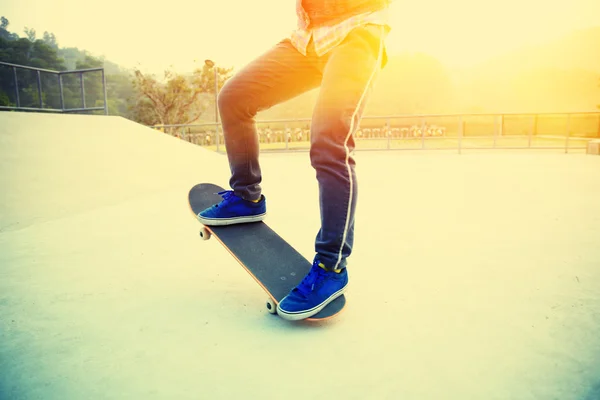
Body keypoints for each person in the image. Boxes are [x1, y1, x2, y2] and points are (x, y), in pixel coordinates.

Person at [196, 0, 391, 321]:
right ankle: (247, 196)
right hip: (307, 40)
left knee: (329, 144)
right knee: (234, 98)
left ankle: (331, 265)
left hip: (357, 31)